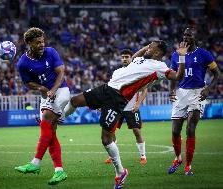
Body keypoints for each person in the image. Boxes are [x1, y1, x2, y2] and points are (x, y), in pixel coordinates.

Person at [64, 40, 188, 189]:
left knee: (106, 139)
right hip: (106, 88)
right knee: (75, 100)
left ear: (157, 53)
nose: (148, 47)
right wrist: (146, 47)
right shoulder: (139, 59)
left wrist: (182, 57)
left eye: (151, 47)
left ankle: (120, 172)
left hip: (117, 98)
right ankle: (59, 118)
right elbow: (136, 56)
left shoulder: (160, 68)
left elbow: (178, 76)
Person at [14, 27, 70, 185]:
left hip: (61, 91)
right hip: (46, 95)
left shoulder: (51, 52)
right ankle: (59, 171)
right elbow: (28, 83)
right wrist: (40, 88)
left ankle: (35, 163)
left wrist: (52, 90)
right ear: (29, 43)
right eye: (38, 42)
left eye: (43, 41)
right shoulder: (22, 63)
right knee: (50, 133)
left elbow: (61, 72)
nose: (42, 44)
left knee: (46, 118)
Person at [168, 28, 220, 176]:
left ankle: (188, 166)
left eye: (189, 35)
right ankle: (178, 159)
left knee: (190, 128)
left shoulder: (204, 54)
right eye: (184, 35)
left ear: (194, 37)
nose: (186, 37)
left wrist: (208, 88)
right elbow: (173, 75)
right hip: (181, 93)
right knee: (175, 130)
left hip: (197, 93)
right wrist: (172, 90)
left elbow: (217, 74)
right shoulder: (176, 54)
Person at [104, 49, 148, 165]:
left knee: (136, 131)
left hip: (132, 107)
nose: (124, 59)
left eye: (126, 57)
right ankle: (112, 154)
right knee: (110, 131)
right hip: (118, 106)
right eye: (122, 57)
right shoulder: (117, 72)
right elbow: (111, 89)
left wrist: (138, 103)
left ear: (131, 58)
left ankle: (143, 156)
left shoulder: (137, 72)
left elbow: (145, 90)